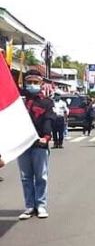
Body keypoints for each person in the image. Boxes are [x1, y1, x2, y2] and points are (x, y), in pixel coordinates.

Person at [18, 69, 56, 220]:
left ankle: (40, 205)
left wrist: (46, 137)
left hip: (39, 144)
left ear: (41, 84)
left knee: (41, 176)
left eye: (35, 82)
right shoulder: (19, 102)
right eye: (29, 82)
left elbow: (49, 120)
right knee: (26, 177)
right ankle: (29, 206)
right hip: (22, 144)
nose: (32, 85)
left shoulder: (47, 102)